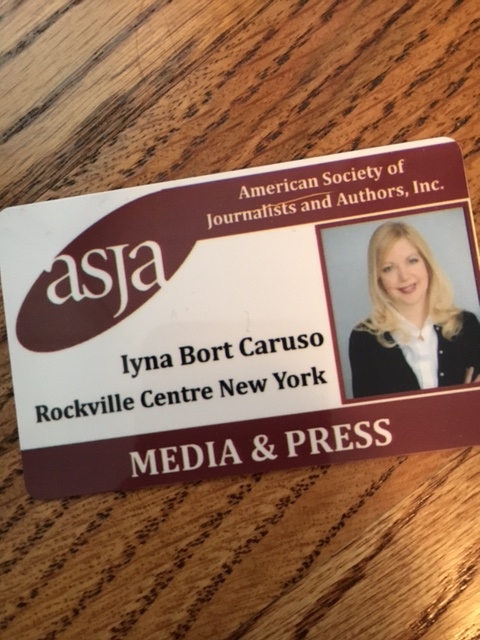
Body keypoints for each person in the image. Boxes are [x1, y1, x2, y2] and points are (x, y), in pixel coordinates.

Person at [349, 221, 480, 398]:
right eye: (388, 268)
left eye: (412, 261)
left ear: (427, 264)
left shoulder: (467, 325)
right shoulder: (364, 340)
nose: (404, 276)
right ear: (378, 278)